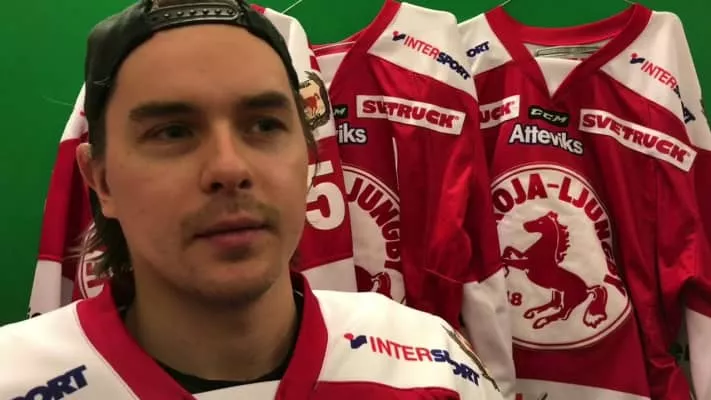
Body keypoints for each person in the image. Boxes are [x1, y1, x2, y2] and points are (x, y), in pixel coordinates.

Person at [0, 0, 504, 398]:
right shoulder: (18, 380)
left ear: (308, 158)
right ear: (102, 181)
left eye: (264, 125)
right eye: (173, 131)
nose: (230, 169)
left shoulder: (432, 368)